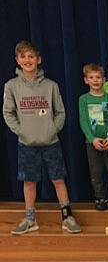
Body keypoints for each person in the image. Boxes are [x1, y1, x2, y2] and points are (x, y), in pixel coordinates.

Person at [3, 40, 81, 235]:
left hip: (51, 142)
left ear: (38, 59)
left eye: (31, 56)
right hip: (26, 143)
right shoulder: (11, 86)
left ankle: (67, 216)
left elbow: (60, 112)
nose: (27, 60)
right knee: (29, 182)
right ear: (17, 60)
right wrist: (22, 131)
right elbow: (8, 113)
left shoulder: (51, 86)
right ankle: (30, 219)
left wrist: (52, 130)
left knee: (58, 179)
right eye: (23, 57)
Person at [78, 63, 108, 211]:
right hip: (92, 142)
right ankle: (100, 197)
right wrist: (92, 138)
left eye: (98, 77)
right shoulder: (84, 99)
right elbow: (83, 121)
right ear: (86, 80)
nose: (95, 80)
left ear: (104, 80)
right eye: (91, 77)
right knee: (95, 171)